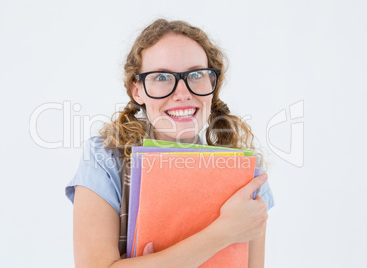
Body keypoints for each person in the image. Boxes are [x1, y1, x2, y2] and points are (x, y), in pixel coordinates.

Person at [65, 19, 274, 268]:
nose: (182, 92)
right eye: (162, 77)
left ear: (212, 84)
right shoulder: (104, 159)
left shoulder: (245, 170)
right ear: (137, 90)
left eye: (196, 74)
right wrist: (223, 232)